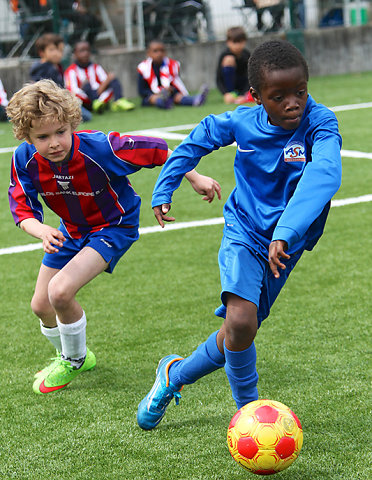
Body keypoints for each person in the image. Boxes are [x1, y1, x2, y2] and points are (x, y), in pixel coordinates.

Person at [136, 40, 342, 430]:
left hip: (286, 244)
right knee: (243, 321)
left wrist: (287, 231)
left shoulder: (321, 122)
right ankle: (250, 414)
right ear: (256, 97)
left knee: (237, 330)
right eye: (278, 97)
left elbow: (325, 173)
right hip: (244, 231)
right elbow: (198, 138)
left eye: (300, 92)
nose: (293, 103)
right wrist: (165, 187)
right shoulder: (242, 121)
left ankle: (172, 375)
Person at [7, 79, 220, 395]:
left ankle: (73, 359)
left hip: (113, 226)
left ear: (72, 123)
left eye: (60, 132)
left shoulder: (100, 148)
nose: (54, 143)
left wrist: (194, 176)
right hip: (70, 229)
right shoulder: (24, 159)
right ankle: (76, 354)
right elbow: (22, 208)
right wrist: (41, 231)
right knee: (41, 305)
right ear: (26, 137)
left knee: (60, 291)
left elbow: (160, 150)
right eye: (43, 137)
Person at [30, 33, 92, 122]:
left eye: (60, 50)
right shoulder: (42, 67)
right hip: (49, 103)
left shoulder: (57, 66)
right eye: (52, 50)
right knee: (84, 116)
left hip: (60, 101)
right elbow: (43, 89)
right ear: (42, 52)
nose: (57, 53)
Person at [64, 40, 136, 114]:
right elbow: (72, 90)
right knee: (87, 85)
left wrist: (105, 83)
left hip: (100, 93)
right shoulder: (71, 71)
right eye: (82, 51)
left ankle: (118, 100)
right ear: (75, 53)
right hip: (85, 101)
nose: (85, 53)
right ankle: (97, 103)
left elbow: (105, 80)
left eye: (87, 50)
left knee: (113, 80)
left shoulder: (96, 67)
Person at [137, 39, 209, 109]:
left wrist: (171, 89)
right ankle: (163, 102)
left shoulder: (172, 65)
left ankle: (195, 100)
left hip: (169, 94)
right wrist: (157, 93)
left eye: (162, 51)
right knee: (153, 98)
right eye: (155, 51)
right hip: (152, 96)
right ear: (149, 53)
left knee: (177, 97)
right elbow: (142, 91)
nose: (159, 54)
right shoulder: (143, 68)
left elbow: (176, 84)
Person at [216, 26, 253, 105]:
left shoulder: (247, 55)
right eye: (234, 42)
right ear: (228, 42)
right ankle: (231, 94)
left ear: (244, 42)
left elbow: (250, 76)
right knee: (229, 59)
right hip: (231, 88)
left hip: (243, 87)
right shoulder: (225, 55)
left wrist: (244, 94)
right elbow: (218, 79)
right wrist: (226, 93)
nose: (237, 46)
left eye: (240, 42)